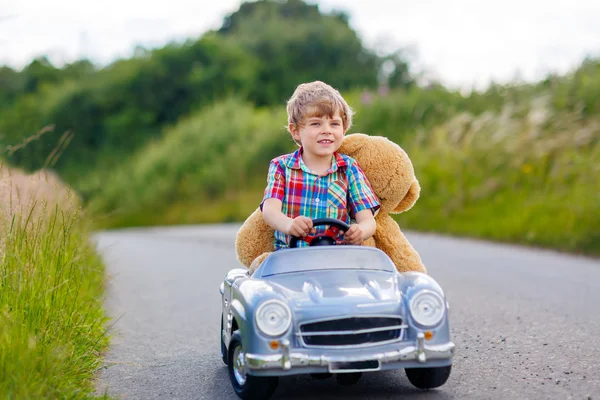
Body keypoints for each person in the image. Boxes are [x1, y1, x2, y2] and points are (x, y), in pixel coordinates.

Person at [261, 81, 380, 249]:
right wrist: (289, 225)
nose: (327, 130)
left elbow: (368, 220)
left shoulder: (349, 169)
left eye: (334, 124)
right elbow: (270, 211)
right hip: (291, 259)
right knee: (259, 269)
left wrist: (360, 230)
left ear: (344, 129)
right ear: (295, 131)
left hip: (338, 259)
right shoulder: (281, 167)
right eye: (316, 123)